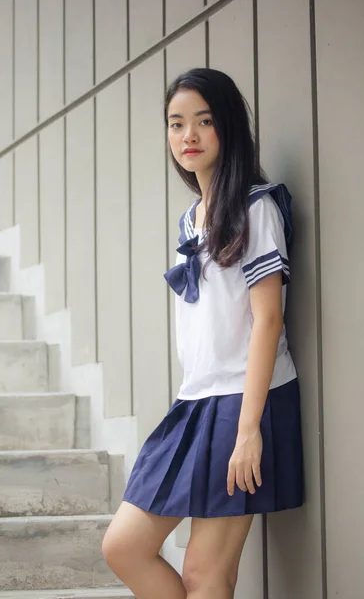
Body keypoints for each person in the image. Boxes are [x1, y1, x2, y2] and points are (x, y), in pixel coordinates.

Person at [102, 67, 303, 599]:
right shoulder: (192, 219)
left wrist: (248, 430)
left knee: (206, 576)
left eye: (203, 121)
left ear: (228, 127)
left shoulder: (256, 209)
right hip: (194, 402)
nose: (186, 136)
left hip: (244, 402)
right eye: (175, 124)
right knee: (123, 546)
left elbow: (268, 320)